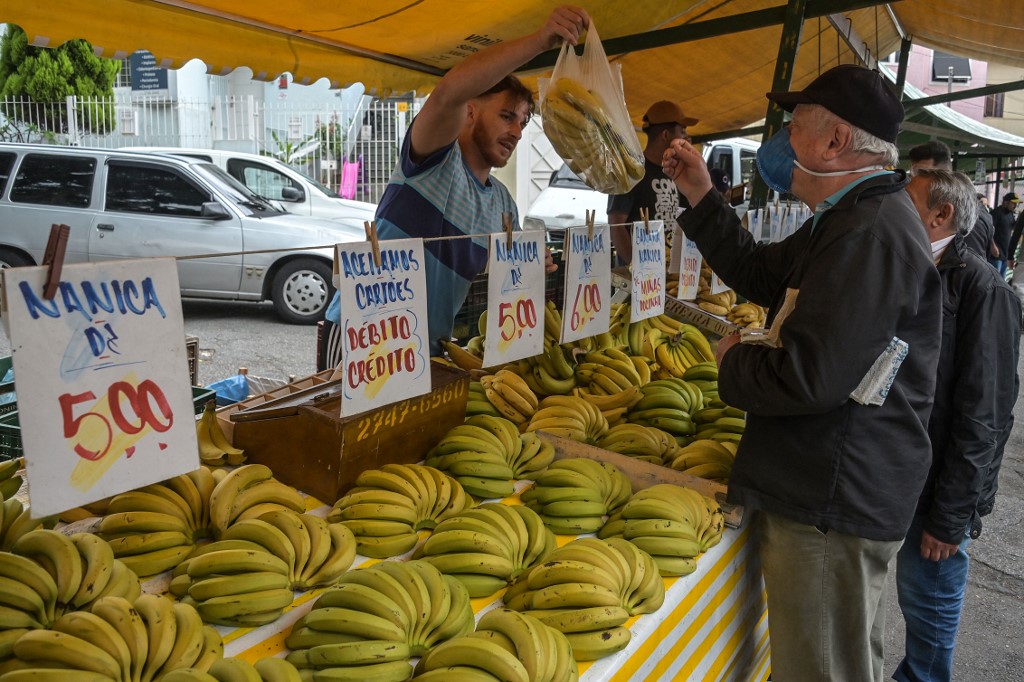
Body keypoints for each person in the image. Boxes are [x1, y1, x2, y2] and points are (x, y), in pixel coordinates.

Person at [661, 64, 942, 681]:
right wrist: (703, 195)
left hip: (832, 494)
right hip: (834, 483)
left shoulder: (868, 233)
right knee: (843, 660)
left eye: (796, 124)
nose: (784, 137)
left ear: (835, 140)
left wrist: (737, 360)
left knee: (822, 670)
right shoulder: (847, 217)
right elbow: (761, 274)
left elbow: (811, 377)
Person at [324, 6, 587, 357]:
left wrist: (536, 262)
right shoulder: (433, 158)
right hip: (363, 339)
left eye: (523, 123)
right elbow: (450, 91)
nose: (516, 133)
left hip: (426, 351)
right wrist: (540, 41)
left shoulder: (504, 205)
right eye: (507, 116)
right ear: (470, 111)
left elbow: (511, 278)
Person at [897, 168, 1021, 682]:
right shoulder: (914, 267)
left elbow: (985, 413)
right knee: (910, 590)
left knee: (930, 595)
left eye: (908, 204)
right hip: (900, 472)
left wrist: (951, 515)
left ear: (941, 214)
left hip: (939, 486)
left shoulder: (980, 287)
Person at [606, 100, 698, 264]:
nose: (687, 138)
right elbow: (616, 225)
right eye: (682, 131)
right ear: (665, 135)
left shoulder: (677, 172)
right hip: (642, 279)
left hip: (670, 272)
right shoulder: (631, 171)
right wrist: (637, 271)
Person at [988, 191, 1020, 276]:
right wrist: (992, 246)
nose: (1015, 206)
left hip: (1005, 255)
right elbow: (988, 230)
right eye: (1013, 203)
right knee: (994, 280)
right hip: (995, 254)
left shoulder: (1010, 214)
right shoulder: (996, 213)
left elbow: (1012, 227)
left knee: (1001, 282)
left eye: (1016, 204)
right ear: (1006, 202)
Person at [965, 191, 996, 260]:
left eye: (985, 205)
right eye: (982, 204)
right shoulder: (971, 220)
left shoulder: (986, 220)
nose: (984, 207)